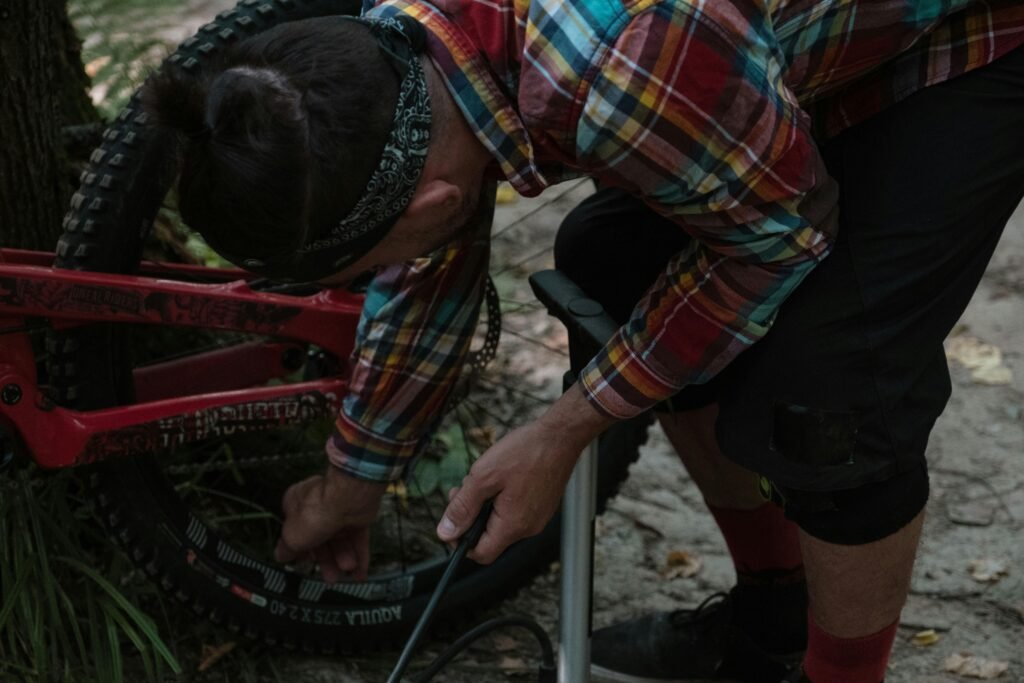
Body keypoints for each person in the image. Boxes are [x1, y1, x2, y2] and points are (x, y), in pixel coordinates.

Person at [142, 0, 1024, 679]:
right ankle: (773, 621)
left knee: (826, 391)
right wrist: (355, 477)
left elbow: (784, 236)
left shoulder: (620, 70)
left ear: (432, 201)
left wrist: (567, 427)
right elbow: (427, 265)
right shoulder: (398, 52)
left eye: (366, 263)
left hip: (973, 36)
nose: (378, 277)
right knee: (613, 267)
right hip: (751, 63)